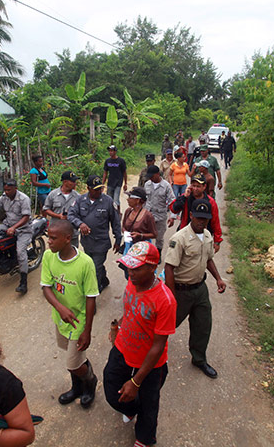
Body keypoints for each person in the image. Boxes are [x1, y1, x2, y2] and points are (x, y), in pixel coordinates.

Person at [103, 242, 177, 447]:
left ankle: (144, 439)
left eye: (136, 268)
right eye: (128, 267)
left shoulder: (165, 301)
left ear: (153, 268)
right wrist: (119, 325)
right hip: (123, 349)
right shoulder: (132, 283)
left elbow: (159, 345)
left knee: (148, 404)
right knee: (111, 390)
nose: (130, 273)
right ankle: (130, 408)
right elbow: (130, 310)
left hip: (150, 364)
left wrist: (135, 382)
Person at [164, 199, 226, 379]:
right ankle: (150, 354)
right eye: (198, 218)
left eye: (205, 219)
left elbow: (208, 259)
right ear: (191, 215)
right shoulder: (180, 238)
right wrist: (171, 295)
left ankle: (199, 359)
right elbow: (169, 267)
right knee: (167, 324)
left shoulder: (207, 236)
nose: (201, 222)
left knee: (203, 325)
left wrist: (218, 279)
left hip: (200, 289)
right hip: (181, 291)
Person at [41, 220, 99, 409]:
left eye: (53, 238)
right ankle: (77, 388)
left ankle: (90, 383)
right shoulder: (49, 256)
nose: (48, 241)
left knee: (73, 364)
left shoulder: (85, 263)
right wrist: (60, 308)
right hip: (61, 319)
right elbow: (46, 287)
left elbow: (91, 298)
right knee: (72, 356)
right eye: (48, 236)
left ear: (68, 239)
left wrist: (87, 331)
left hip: (78, 322)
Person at [67, 175, 122, 293]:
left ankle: (93, 292)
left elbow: (115, 222)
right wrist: (80, 224)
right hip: (87, 242)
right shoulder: (80, 200)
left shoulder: (107, 201)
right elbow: (71, 214)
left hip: (101, 243)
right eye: (96, 189)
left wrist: (118, 240)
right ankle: (104, 279)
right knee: (93, 264)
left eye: (100, 188)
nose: (99, 191)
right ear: (88, 188)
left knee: (93, 269)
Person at [169, 174, 223, 253]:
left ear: (204, 187)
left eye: (198, 186)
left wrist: (217, 241)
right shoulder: (186, 197)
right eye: (193, 186)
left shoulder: (210, 202)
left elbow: (215, 222)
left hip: (202, 236)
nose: (195, 189)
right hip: (185, 234)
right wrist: (184, 197)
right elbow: (173, 209)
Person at [120, 187, 157, 279]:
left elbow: (154, 234)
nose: (128, 200)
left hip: (142, 251)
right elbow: (123, 226)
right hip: (129, 249)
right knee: (128, 273)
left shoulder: (148, 216)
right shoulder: (128, 211)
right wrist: (125, 232)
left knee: (140, 274)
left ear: (138, 200)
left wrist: (140, 235)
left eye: (130, 197)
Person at [42, 171, 81, 247]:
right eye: (73, 181)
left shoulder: (78, 196)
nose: (75, 183)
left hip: (71, 233)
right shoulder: (53, 194)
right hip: (56, 232)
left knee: (72, 254)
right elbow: (46, 209)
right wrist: (58, 216)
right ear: (65, 182)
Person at [143, 166, 174, 257]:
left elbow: (172, 201)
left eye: (152, 176)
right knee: (145, 235)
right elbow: (144, 200)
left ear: (157, 174)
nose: (150, 178)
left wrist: (172, 216)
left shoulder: (166, 186)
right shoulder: (147, 184)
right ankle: (147, 252)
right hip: (148, 214)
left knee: (159, 237)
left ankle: (158, 253)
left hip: (160, 215)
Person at [102, 145, 128, 211]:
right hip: (110, 182)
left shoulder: (121, 161)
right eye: (109, 151)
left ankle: (118, 214)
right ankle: (110, 215)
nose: (110, 152)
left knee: (116, 200)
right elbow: (105, 173)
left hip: (118, 183)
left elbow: (124, 172)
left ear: (115, 152)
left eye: (112, 151)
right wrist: (102, 184)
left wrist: (125, 183)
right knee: (109, 200)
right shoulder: (107, 161)